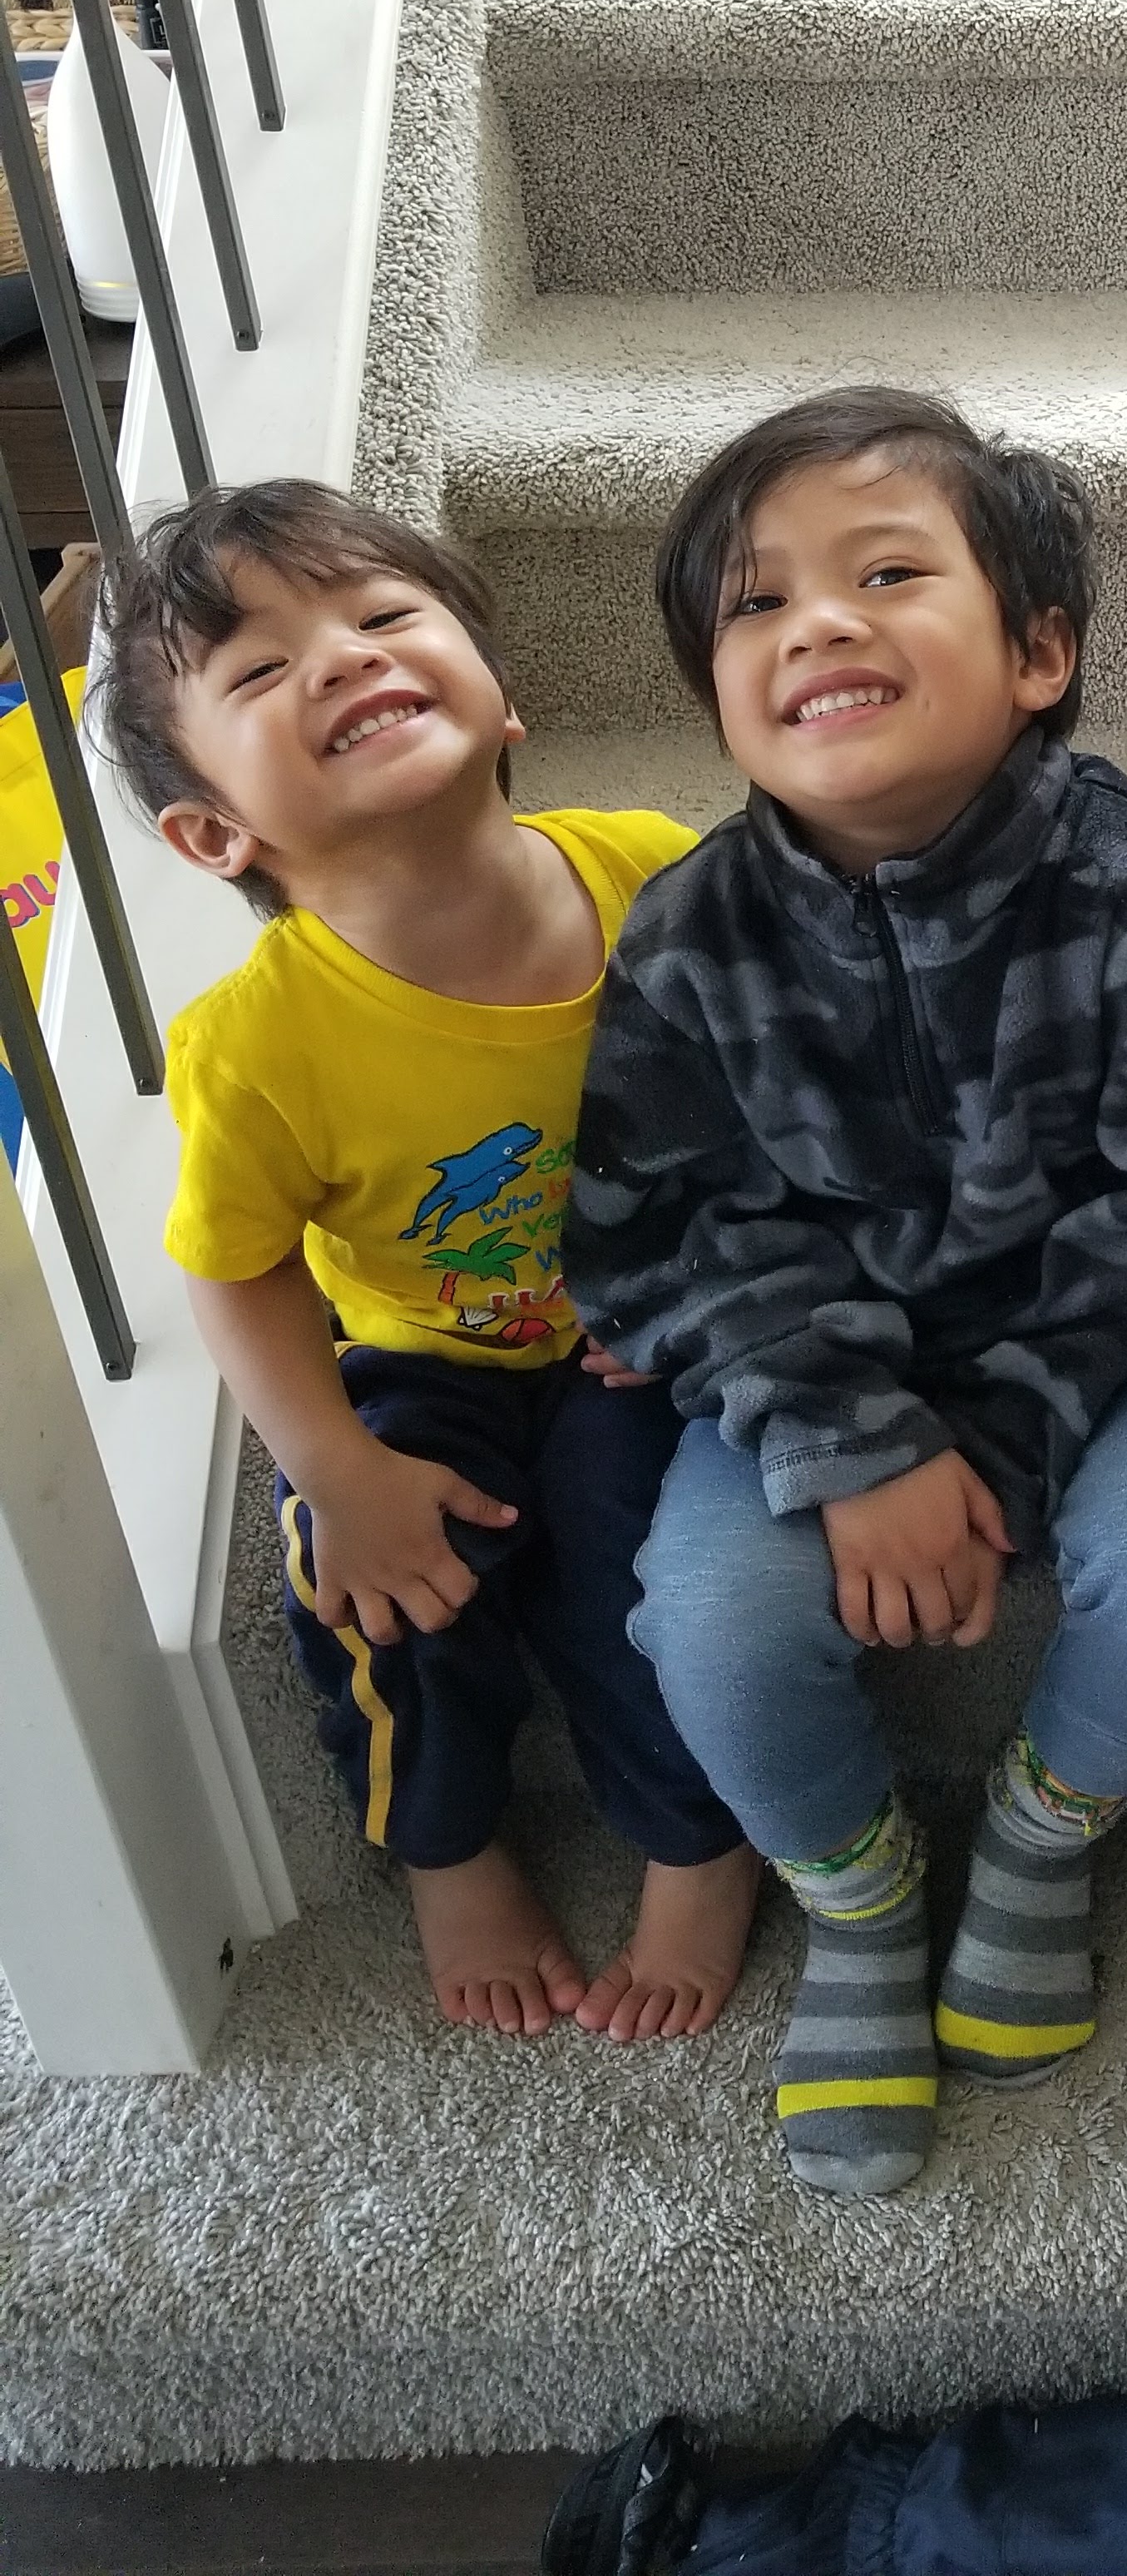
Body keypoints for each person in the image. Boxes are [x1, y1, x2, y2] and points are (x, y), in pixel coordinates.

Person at [562, 386, 1127, 2200]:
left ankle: (1043, 1836)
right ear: (719, 691)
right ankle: (861, 1895)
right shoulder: (689, 933)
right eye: (757, 603)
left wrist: (1004, 1443)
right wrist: (857, 1445)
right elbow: (655, 1233)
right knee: (710, 1629)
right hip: (807, 1364)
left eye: (887, 574)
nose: (817, 622)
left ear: (1039, 651)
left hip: (1111, 1344)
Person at [102, 481, 758, 2043]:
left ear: (499, 691)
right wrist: (332, 1464)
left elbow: (766, 1102)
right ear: (215, 833)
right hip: (416, 1354)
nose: (343, 655)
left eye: (386, 615)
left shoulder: (654, 873)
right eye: (264, 669)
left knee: (647, 1568)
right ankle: (449, 1852)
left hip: (640, 1340)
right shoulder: (259, 1043)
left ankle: (698, 1845)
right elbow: (237, 1269)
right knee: (375, 1596)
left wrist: (707, 1287)